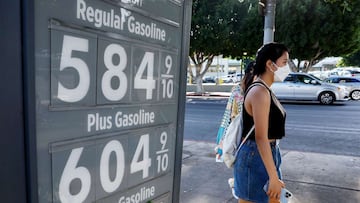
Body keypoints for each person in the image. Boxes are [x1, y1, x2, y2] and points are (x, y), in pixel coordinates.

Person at [233, 42, 290, 203]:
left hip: (266, 154)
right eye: (284, 62)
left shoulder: (265, 89)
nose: (287, 67)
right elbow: (260, 137)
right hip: (255, 155)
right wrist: (273, 176)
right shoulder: (259, 92)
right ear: (270, 64)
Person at [215, 61, 255, 198]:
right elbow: (229, 114)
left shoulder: (239, 89)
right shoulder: (247, 90)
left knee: (241, 163)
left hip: (240, 134)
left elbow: (228, 115)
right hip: (244, 134)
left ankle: (238, 187)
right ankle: (239, 188)